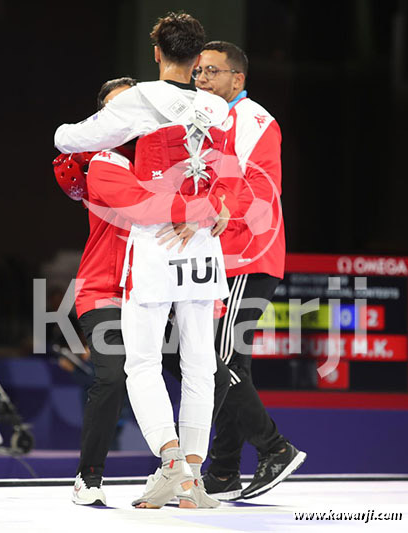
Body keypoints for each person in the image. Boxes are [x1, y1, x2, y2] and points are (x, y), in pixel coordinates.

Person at [54, 13, 237, 509]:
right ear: (200, 60)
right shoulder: (219, 109)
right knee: (201, 361)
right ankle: (191, 481)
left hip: (157, 242)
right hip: (202, 245)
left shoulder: (138, 101)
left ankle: (174, 461)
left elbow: (68, 140)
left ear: (157, 53)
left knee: (142, 362)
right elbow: (229, 175)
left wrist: (75, 132)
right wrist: (209, 205)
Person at [191, 41, 307, 500]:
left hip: (247, 256)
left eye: (212, 72)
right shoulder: (211, 121)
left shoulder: (253, 121)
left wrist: (216, 211)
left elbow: (260, 188)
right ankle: (222, 471)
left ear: (237, 79)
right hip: (223, 259)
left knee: (218, 361)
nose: (201, 79)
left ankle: (275, 448)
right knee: (231, 362)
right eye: (198, 71)